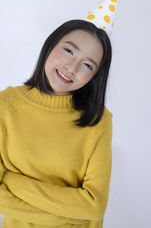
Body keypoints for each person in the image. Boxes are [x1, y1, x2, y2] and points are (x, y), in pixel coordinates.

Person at [0, 19, 113, 228]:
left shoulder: (99, 120)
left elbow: (95, 206)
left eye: (88, 65)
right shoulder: (5, 106)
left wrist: (13, 182)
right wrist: (67, 216)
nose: (72, 67)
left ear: (95, 76)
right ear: (51, 44)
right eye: (69, 51)